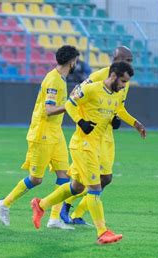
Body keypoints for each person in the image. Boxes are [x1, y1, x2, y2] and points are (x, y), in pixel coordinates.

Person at [30, 61, 135, 244]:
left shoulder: (117, 96)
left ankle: (41, 204)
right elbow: (70, 104)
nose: (124, 86)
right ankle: (102, 232)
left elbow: (113, 112)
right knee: (94, 188)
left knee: (77, 187)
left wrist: (115, 121)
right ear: (113, 76)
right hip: (82, 145)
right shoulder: (91, 89)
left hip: (96, 146)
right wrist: (81, 122)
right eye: (123, 81)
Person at [60, 46, 147, 225]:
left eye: (130, 61)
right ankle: (64, 208)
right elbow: (74, 96)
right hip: (89, 134)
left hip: (106, 136)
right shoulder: (99, 76)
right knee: (82, 181)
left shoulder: (125, 81)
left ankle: (77, 214)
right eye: (125, 60)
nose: (128, 64)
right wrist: (81, 121)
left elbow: (119, 107)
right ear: (114, 59)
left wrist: (134, 123)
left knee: (106, 178)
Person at [0, 45, 80, 229]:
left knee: (64, 176)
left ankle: (54, 218)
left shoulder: (60, 79)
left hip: (55, 134)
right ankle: (5, 203)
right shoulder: (53, 81)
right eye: (76, 61)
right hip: (42, 134)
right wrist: (70, 104)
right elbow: (49, 110)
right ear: (72, 61)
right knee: (36, 179)